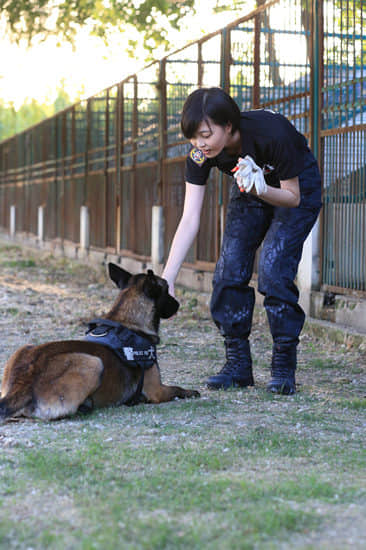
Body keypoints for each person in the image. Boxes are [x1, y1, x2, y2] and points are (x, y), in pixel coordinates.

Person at [162, 87, 322, 395]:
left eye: (206, 134)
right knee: (229, 268)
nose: (199, 143)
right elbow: (190, 217)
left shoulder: (273, 135)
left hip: (294, 189)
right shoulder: (199, 155)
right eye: (193, 136)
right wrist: (168, 277)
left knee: (274, 270)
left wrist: (261, 188)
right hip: (249, 187)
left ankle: (283, 367)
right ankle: (237, 366)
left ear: (230, 127)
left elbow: (292, 197)